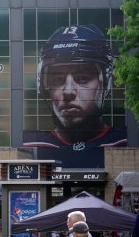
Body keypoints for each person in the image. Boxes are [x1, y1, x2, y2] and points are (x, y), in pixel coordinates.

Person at [23, 24, 127, 168]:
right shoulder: (29, 146)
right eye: (58, 79)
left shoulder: (126, 141)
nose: (68, 91)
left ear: (105, 83)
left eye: (83, 78)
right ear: (45, 88)